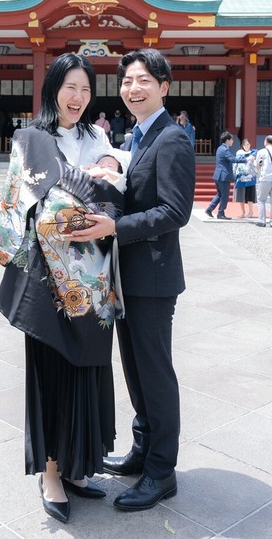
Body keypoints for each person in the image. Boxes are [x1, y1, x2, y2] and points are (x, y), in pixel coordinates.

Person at [0, 53, 120, 524]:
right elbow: (23, 199)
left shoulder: (100, 137)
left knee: (87, 368)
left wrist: (111, 165)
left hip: (93, 276)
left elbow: (115, 191)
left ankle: (78, 465)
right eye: (71, 87)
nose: (78, 98)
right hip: (47, 277)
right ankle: (49, 472)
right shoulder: (33, 138)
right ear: (53, 89)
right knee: (49, 368)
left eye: (86, 89)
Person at [70, 47, 195, 512]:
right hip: (129, 276)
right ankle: (144, 450)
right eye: (126, 81)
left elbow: (174, 212)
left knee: (156, 374)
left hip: (154, 280)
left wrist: (113, 227)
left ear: (163, 87)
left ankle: (162, 471)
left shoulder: (173, 138)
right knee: (137, 372)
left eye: (144, 80)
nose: (133, 88)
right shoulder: (138, 137)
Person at [251, 135, 272, 228]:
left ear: (266, 141)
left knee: (261, 200)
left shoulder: (261, 151)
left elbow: (257, 165)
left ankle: (262, 221)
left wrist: (259, 167)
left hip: (265, 178)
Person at [204, 131, 236, 220]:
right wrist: (246, 159)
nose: (233, 141)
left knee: (219, 194)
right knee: (224, 195)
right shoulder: (225, 149)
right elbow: (232, 159)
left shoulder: (219, 148)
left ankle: (210, 209)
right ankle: (221, 213)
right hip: (224, 176)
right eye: (232, 139)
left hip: (218, 175)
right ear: (228, 140)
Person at [231, 138, 257, 219]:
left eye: (248, 144)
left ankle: (251, 211)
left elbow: (255, 163)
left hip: (250, 177)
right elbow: (235, 164)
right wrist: (234, 173)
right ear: (242, 146)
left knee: (250, 194)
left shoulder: (253, 153)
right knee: (240, 195)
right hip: (241, 176)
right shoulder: (238, 153)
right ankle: (243, 211)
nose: (247, 146)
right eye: (245, 145)